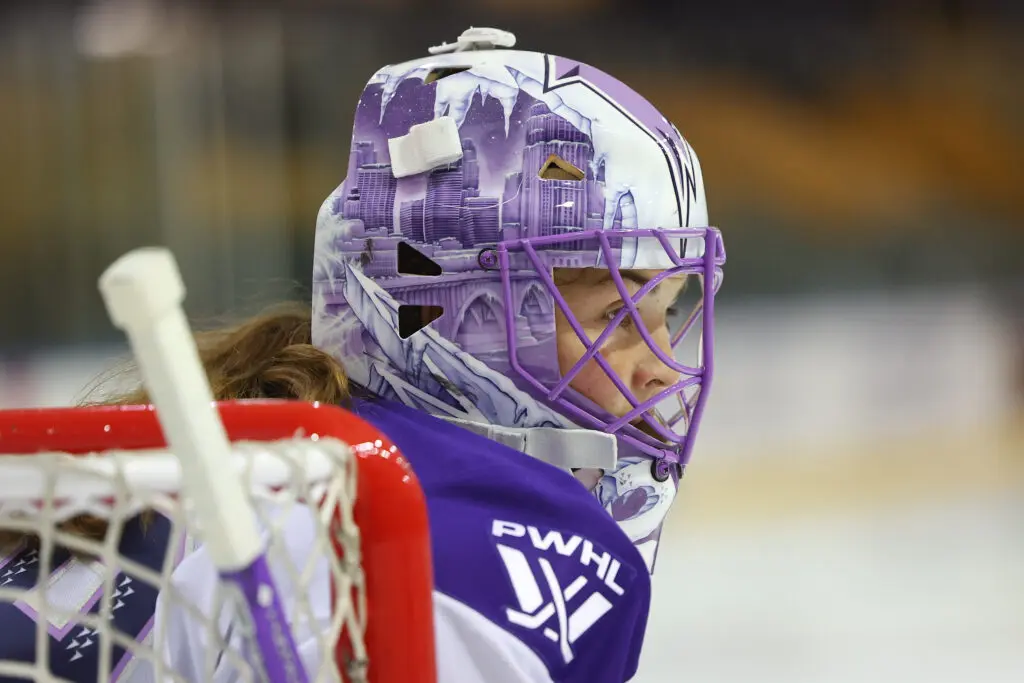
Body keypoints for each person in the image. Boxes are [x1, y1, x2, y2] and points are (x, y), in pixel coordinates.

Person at [5, 26, 727, 683]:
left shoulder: (264, 444)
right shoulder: (489, 539)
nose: (661, 365)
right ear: (450, 315)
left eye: (667, 315)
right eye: (615, 316)